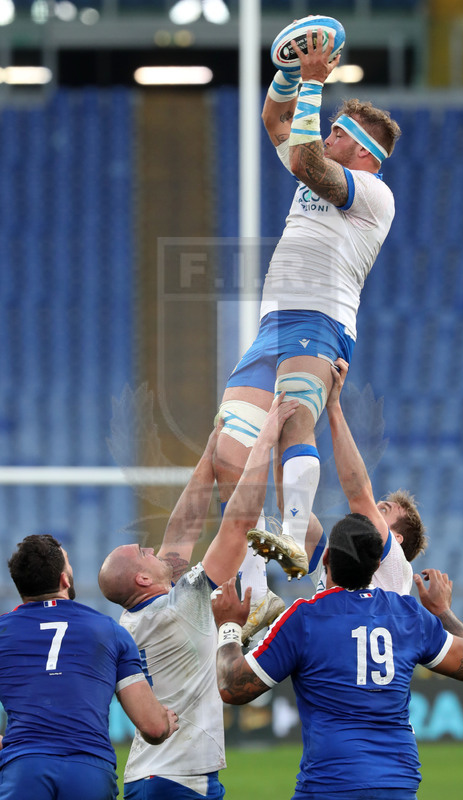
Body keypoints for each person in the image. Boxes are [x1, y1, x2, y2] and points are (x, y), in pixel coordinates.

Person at [214, 28, 402, 637]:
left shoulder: (372, 194)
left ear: (364, 152)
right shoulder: (314, 168)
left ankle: (295, 538)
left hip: (321, 320)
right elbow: (275, 121)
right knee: (227, 452)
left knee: (294, 412)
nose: (326, 137)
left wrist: (318, 81)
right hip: (271, 327)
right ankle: (258, 590)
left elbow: (301, 155)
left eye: (339, 135)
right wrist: (292, 73)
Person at [98, 394, 298, 800]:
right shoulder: (182, 605)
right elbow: (240, 523)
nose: (153, 550)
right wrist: (266, 435)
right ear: (141, 579)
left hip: (146, 776)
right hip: (180, 781)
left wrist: (212, 449)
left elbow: (183, 529)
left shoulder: (141, 616)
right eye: (144, 554)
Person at [212, 513, 463, 800]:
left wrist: (228, 625)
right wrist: (442, 610)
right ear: (377, 564)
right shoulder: (408, 614)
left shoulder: (305, 618)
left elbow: (233, 686)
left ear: (327, 557)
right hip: (398, 785)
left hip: (331, 783)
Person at [0, 534, 178, 800]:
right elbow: (152, 727)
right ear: (64, 579)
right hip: (89, 770)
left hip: (25, 769)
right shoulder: (109, 631)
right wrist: (165, 723)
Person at [314, 357, 427, 594]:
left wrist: (333, 405)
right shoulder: (336, 561)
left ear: (396, 540)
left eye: (382, 510)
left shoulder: (396, 564)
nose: (371, 511)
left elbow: (358, 493)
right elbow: (293, 511)